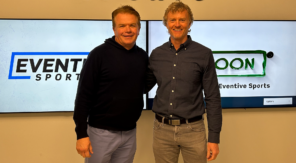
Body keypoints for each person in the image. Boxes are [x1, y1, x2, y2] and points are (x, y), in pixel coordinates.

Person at [146, 1, 222, 163]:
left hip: (193, 130)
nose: (177, 24)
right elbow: (143, 85)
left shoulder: (204, 54)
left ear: (190, 23)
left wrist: (214, 138)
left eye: (182, 20)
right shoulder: (157, 54)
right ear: (166, 24)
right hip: (162, 131)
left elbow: (213, 98)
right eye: (172, 20)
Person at [73, 5, 147, 163]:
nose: (128, 30)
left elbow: (142, 87)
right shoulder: (98, 55)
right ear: (114, 29)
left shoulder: (142, 56)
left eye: (132, 25)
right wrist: (81, 134)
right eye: (122, 25)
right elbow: (83, 96)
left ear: (139, 29)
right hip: (100, 133)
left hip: (129, 133)